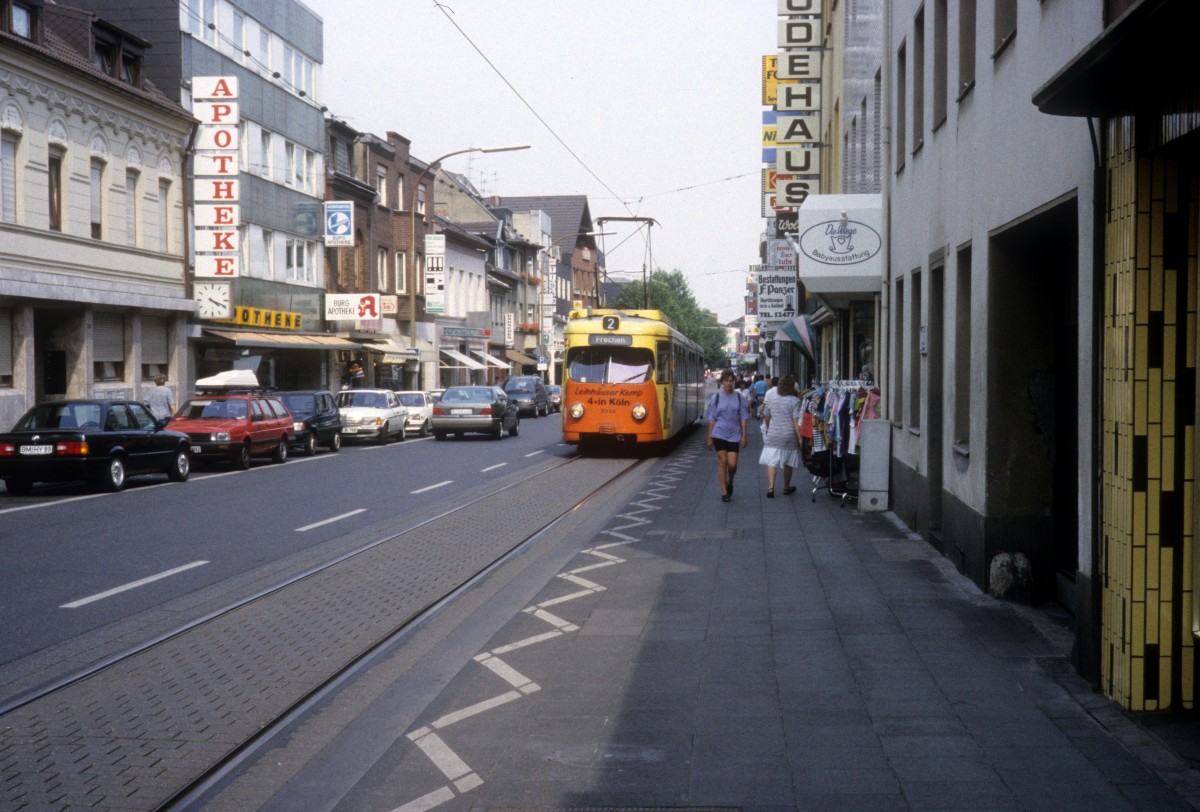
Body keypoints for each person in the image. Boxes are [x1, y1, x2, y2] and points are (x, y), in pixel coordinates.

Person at [705, 369, 750, 503]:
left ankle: (730, 480)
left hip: (734, 434)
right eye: (726, 380)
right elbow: (712, 419)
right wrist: (710, 437)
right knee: (722, 462)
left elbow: (743, 417)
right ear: (722, 382)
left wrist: (744, 435)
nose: (729, 383)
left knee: (732, 464)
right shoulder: (716, 398)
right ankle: (724, 492)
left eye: (731, 380)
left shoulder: (739, 398)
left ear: (734, 381)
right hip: (719, 433)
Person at [758, 374, 803, 497]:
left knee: (772, 462)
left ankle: (771, 488)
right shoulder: (795, 401)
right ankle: (786, 487)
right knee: (788, 462)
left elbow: (766, 416)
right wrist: (800, 438)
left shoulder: (772, 399)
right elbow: (795, 421)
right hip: (789, 435)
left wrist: (767, 428)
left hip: (773, 434)